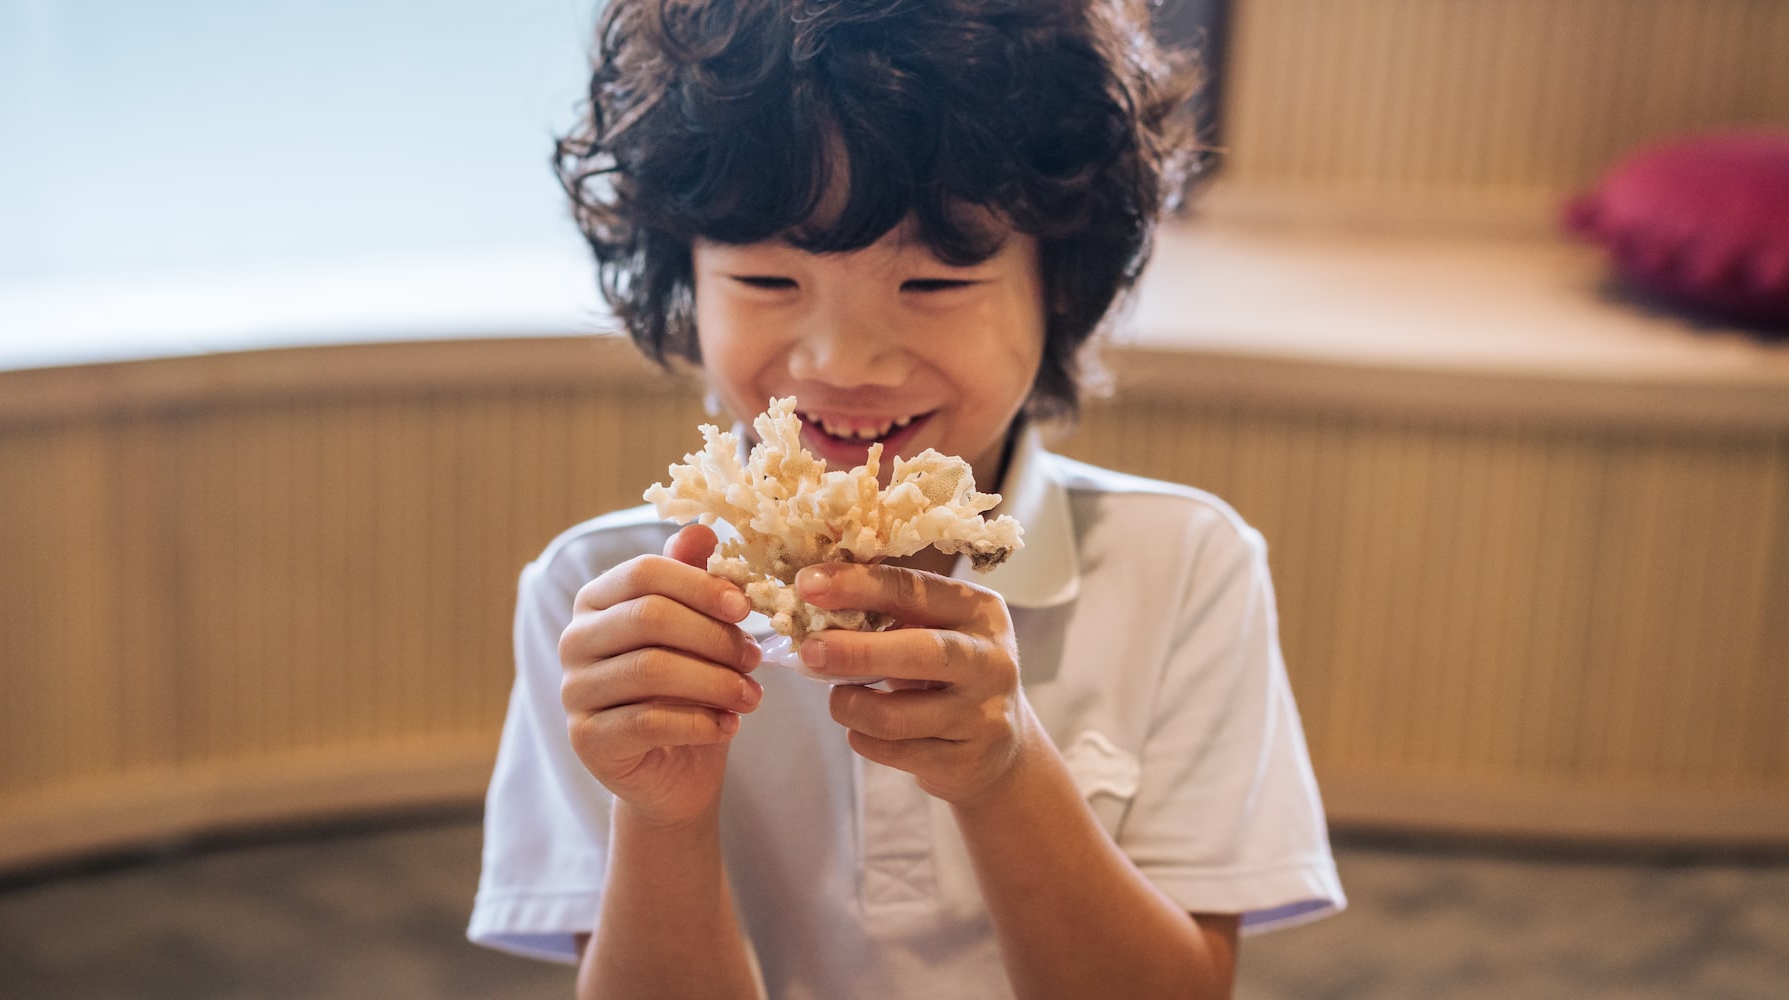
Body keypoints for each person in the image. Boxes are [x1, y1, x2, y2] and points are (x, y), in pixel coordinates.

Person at [467, 1, 1345, 996]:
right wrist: (661, 810)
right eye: (764, 278)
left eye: (929, 284)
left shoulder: (1185, 564)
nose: (842, 360)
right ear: (686, 279)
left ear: (1060, 283)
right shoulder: (602, 604)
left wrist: (1004, 770)